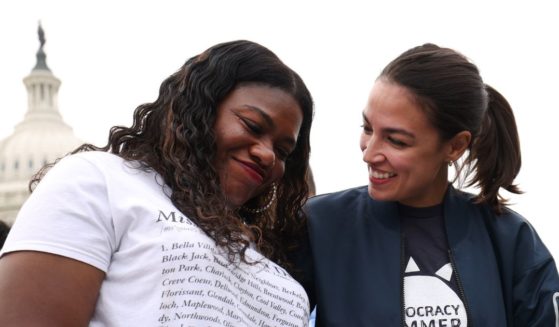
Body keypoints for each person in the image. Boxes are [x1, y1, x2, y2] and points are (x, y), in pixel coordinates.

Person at [0, 40, 314, 326]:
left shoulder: (261, 249)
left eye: (283, 151)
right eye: (253, 125)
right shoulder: (98, 181)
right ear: (200, 111)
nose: (267, 154)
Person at [300, 43, 559, 326]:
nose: (369, 153)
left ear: (456, 146)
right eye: (368, 128)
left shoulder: (512, 240)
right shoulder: (319, 226)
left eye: (396, 140)